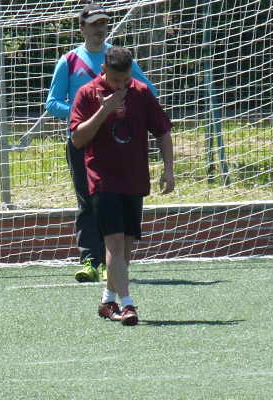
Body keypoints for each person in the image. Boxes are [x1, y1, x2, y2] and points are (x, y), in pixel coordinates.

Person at [45, 3, 158, 283]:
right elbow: (52, 103)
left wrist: (126, 108)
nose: (100, 29)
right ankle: (90, 261)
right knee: (87, 201)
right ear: (82, 28)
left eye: (103, 23)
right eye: (94, 24)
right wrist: (86, 113)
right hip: (83, 140)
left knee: (114, 200)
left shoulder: (118, 59)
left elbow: (149, 91)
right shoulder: (69, 61)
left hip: (117, 144)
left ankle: (112, 263)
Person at [70, 46, 174, 326]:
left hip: (134, 178)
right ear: (103, 70)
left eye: (125, 79)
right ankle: (127, 304)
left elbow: (163, 131)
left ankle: (108, 301)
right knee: (114, 244)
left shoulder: (140, 92)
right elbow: (78, 139)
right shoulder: (87, 94)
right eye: (116, 80)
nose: (121, 86)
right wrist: (104, 110)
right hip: (103, 180)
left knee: (125, 249)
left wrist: (168, 170)